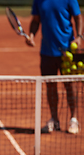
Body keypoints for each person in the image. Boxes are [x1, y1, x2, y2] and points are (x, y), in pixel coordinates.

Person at [25, 0, 82, 134]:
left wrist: (79, 37)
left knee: (70, 85)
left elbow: (78, 17)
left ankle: (73, 119)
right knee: (50, 85)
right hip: (46, 51)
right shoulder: (39, 1)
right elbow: (35, 20)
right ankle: (54, 120)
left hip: (67, 51)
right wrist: (32, 35)